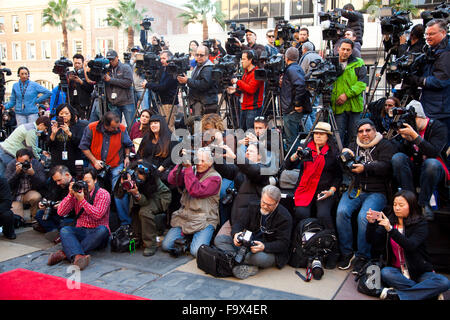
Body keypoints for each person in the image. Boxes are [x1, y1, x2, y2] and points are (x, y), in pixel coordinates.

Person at [366, 190, 450, 300]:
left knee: (443, 282)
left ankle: (398, 296)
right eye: (395, 204)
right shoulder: (390, 222)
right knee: (386, 272)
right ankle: (428, 294)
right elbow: (372, 241)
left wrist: (390, 230)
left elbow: (410, 245)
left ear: (411, 206)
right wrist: (371, 224)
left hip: (419, 272)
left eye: (401, 205)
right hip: (397, 272)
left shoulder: (420, 224)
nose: (396, 208)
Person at [336, 119, 395, 274]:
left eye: (367, 130)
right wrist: (343, 158)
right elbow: (346, 169)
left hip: (377, 192)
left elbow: (387, 166)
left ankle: (363, 256)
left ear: (374, 130)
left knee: (364, 217)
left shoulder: (385, 145)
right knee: (341, 212)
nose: (364, 134)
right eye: (361, 131)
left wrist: (366, 168)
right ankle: (347, 253)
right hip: (356, 189)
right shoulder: (353, 146)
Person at [214, 185, 292, 280]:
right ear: (261, 198)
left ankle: (237, 261)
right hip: (249, 244)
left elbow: (283, 244)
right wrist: (236, 235)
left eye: (269, 205)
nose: (265, 206)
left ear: (277, 202)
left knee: (256, 258)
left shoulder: (285, 217)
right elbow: (239, 223)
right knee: (220, 240)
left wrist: (264, 247)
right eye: (263, 202)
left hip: (267, 250)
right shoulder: (253, 206)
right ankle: (243, 263)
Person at [390, 100, 449, 221]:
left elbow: (433, 152)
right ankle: (410, 201)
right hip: (416, 168)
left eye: (413, 121)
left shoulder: (437, 127)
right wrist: (404, 140)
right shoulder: (409, 130)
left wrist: (415, 137)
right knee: (398, 158)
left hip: (435, 170)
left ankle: (423, 204)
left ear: (420, 117)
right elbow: (402, 156)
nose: (411, 125)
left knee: (431, 163)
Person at [161, 147, 222, 258]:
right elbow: (171, 180)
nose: (199, 163)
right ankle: (189, 238)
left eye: (203, 161)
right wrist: (180, 163)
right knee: (166, 246)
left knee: (196, 252)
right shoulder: (191, 169)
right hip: (185, 217)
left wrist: (188, 168)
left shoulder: (215, 178)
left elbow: (196, 191)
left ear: (210, 163)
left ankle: (191, 240)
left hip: (205, 219)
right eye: (198, 159)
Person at [47, 168, 110, 271]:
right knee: (65, 230)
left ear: (95, 180)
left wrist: (82, 201)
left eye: (88, 182)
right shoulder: (77, 192)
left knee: (103, 230)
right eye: (83, 183)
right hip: (81, 229)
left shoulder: (103, 194)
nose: (85, 185)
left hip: (97, 231)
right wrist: (70, 195)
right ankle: (78, 257)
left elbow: (98, 215)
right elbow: (61, 212)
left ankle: (65, 253)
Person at [79, 111, 133, 226]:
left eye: (117, 126)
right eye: (113, 127)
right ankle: (95, 221)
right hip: (96, 163)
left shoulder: (122, 129)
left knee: (120, 191)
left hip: (116, 163)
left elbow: (128, 144)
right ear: (105, 124)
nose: (116, 129)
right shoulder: (91, 128)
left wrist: (127, 157)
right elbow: (83, 146)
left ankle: (125, 223)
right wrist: (94, 161)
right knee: (93, 190)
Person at [285, 122, 342, 231]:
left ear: (328, 137)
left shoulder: (333, 153)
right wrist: (295, 156)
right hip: (305, 189)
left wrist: (331, 191)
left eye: (322, 134)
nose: (318, 136)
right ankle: (301, 241)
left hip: (324, 190)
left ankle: (329, 240)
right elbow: (288, 166)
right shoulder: (305, 148)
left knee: (323, 215)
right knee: (301, 213)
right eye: (316, 133)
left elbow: (338, 176)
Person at [407, 19, 450, 152]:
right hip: (432, 106)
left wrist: (418, 80)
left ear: (443, 33)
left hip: (441, 110)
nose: (427, 37)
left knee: (441, 148)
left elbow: (440, 81)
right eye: (426, 34)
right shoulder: (431, 51)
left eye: (431, 34)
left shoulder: (446, 54)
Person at [117, 161, 172, 256]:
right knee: (134, 209)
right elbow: (119, 195)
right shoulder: (132, 176)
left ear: (146, 175)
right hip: (144, 197)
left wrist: (136, 194)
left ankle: (150, 245)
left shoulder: (152, 180)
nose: (137, 176)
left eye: (140, 174)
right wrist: (123, 184)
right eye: (136, 173)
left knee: (145, 212)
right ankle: (138, 237)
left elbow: (145, 202)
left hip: (160, 197)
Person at [331, 39, 367, 146]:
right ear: (338, 49)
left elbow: (362, 84)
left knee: (354, 135)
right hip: (338, 106)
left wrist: (346, 95)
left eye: (348, 50)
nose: (345, 52)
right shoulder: (331, 64)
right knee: (338, 136)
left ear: (351, 51)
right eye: (343, 49)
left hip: (354, 106)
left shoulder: (359, 63)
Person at [34, 165, 76, 242]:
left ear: (67, 175)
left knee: (65, 224)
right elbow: (50, 196)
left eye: (59, 180)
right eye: (56, 181)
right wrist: (44, 202)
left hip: (70, 215)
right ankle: (56, 232)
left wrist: (64, 205)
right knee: (40, 214)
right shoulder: (56, 184)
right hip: (57, 213)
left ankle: (58, 233)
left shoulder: (76, 185)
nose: (58, 183)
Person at [280, 47, 311, 150]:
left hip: (291, 109)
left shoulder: (293, 69)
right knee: (291, 138)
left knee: (292, 140)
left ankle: (293, 163)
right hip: (290, 108)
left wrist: (297, 104)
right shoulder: (295, 68)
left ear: (286, 57)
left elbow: (300, 85)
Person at [4, 148, 46, 223]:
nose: (23, 164)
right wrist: (16, 173)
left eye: (26, 161)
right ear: (16, 159)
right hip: (15, 195)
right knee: (18, 221)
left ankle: (35, 219)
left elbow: (43, 183)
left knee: (36, 197)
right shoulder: (11, 165)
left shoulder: (36, 165)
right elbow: (7, 185)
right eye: (20, 162)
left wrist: (33, 174)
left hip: (29, 193)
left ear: (31, 159)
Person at [177, 45, 218, 117]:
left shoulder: (208, 68)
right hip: (199, 102)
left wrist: (187, 81)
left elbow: (204, 85)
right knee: (196, 125)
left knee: (199, 126)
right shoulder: (198, 66)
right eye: (197, 55)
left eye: (201, 55)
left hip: (205, 104)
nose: (199, 57)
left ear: (207, 56)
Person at [142, 50, 179, 131]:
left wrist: (148, 85)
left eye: (164, 58)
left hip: (169, 103)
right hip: (163, 101)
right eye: (161, 58)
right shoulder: (163, 69)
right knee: (164, 125)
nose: (161, 60)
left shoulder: (172, 70)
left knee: (169, 126)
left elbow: (163, 86)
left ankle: (170, 143)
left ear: (170, 59)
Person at [228, 50, 264, 131]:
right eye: (241, 59)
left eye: (244, 59)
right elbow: (244, 89)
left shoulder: (256, 72)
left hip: (252, 109)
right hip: (244, 107)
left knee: (250, 134)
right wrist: (235, 90)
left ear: (250, 60)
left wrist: (238, 81)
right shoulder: (246, 72)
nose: (241, 61)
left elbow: (251, 89)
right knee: (243, 132)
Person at [47, 104, 87, 175]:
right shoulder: (54, 127)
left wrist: (69, 133)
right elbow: (49, 145)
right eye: (61, 113)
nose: (64, 116)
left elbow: (80, 144)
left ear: (71, 114)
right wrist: (53, 134)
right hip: (58, 160)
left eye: (66, 113)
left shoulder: (78, 126)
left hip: (73, 159)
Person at [137, 114, 176, 184]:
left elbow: (172, 157)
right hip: (145, 168)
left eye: (155, 123)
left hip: (162, 170)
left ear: (162, 124)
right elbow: (139, 153)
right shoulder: (147, 137)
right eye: (151, 123)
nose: (153, 125)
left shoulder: (171, 138)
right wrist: (141, 166)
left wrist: (159, 170)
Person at [101, 50, 134, 128]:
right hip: (113, 103)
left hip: (126, 102)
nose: (111, 61)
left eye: (112, 59)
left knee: (131, 125)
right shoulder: (106, 70)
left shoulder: (125, 67)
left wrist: (111, 80)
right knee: (114, 126)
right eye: (109, 59)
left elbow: (128, 83)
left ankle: (132, 140)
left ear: (117, 57)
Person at [68, 54, 94, 120]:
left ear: (82, 63)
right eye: (75, 63)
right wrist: (69, 80)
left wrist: (81, 82)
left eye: (79, 63)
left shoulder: (86, 74)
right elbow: (66, 89)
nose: (77, 65)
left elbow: (90, 89)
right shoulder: (70, 74)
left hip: (83, 104)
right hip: (72, 103)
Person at [130, 46, 149, 112]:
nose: (135, 53)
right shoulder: (131, 62)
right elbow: (127, 68)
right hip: (133, 88)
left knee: (145, 109)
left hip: (142, 89)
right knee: (132, 110)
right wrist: (133, 61)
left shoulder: (144, 62)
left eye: (137, 51)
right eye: (133, 51)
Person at [0, 175, 16, 240]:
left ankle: (8, 232)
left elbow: (7, 202)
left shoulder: (2, 181)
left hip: (0, 210)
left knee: (7, 214)